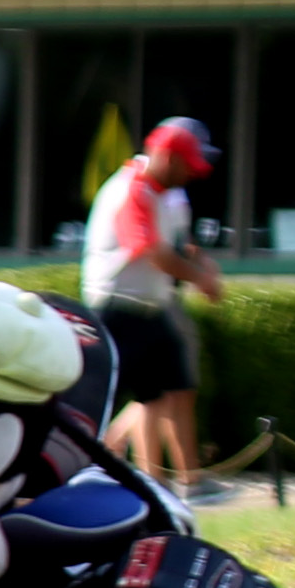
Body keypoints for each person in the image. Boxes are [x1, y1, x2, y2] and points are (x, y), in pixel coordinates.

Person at [85, 116, 224, 485]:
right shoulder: (131, 190)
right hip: (117, 307)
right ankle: (133, 478)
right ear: (165, 156)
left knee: (166, 393)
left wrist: (203, 265)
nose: (190, 175)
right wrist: (200, 278)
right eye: (185, 165)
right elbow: (150, 251)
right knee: (127, 399)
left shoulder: (167, 195)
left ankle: (172, 481)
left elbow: (179, 246)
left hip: (151, 306)